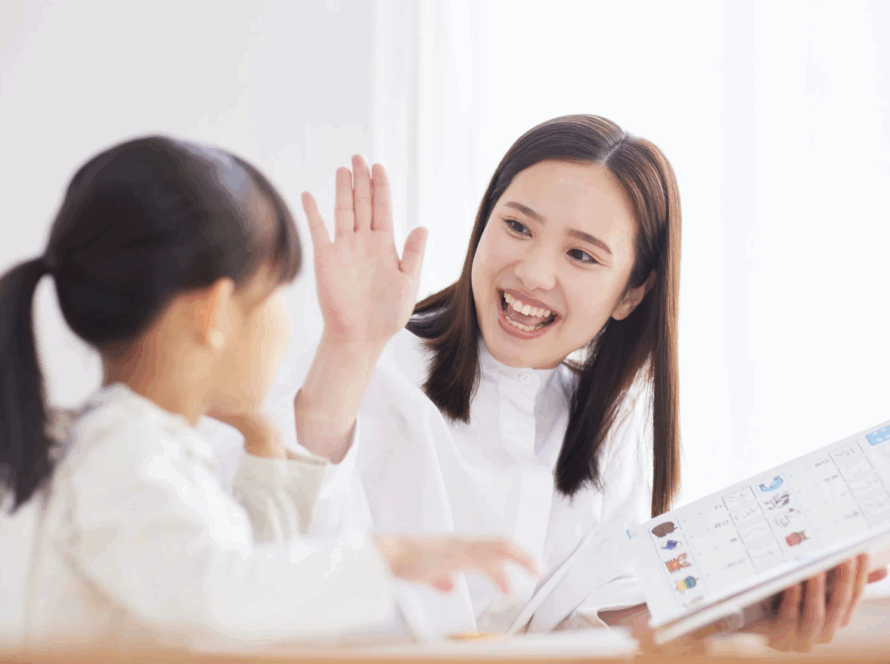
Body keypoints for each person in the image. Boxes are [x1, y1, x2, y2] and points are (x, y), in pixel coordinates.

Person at [230, 114, 885, 652]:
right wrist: (348, 348)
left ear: (631, 293)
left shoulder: (608, 433)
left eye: (581, 255)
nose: (534, 273)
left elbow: (589, 625)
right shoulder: (372, 360)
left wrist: (754, 615)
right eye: (516, 226)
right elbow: (274, 554)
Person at [0, 137, 536, 653]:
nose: (283, 323)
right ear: (214, 314)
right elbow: (220, 597)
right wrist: (386, 556)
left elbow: (258, 579)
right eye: (275, 296)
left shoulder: (153, 449)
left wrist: (267, 454)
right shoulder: (118, 454)